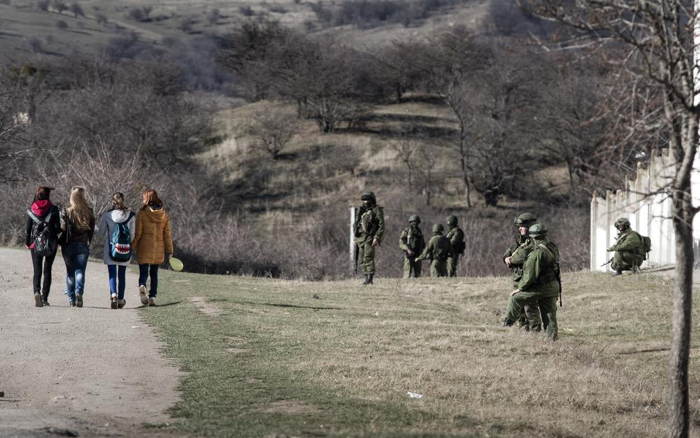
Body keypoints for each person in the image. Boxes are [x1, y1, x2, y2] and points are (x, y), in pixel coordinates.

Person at [503, 223, 560, 341]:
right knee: (549, 315)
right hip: (553, 286)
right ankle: (552, 339)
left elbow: (530, 275)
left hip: (542, 287)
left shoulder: (537, 253)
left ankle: (506, 325)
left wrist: (520, 288)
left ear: (533, 237)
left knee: (515, 298)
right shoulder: (552, 246)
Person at [132, 189, 173, 306]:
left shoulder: (142, 213)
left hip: (144, 246)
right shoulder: (164, 214)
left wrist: (132, 246)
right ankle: (152, 297)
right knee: (154, 274)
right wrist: (169, 250)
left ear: (146, 198)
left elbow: (138, 233)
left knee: (143, 271)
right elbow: (167, 234)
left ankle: (142, 285)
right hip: (158, 248)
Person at [503, 212, 541, 331]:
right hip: (518, 277)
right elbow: (508, 253)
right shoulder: (519, 241)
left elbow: (521, 256)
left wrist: (512, 259)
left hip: (528, 278)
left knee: (530, 306)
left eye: (522, 226)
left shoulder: (534, 241)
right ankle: (523, 329)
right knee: (519, 308)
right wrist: (507, 258)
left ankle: (535, 331)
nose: (519, 229)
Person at [97, 193, 135, 309]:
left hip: (110, 248)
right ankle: (121, 299)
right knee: (122, 274)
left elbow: (100, 233)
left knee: (112, 273)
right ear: (123, 200)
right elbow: (133, 234)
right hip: (125, 248)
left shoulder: (107, 215)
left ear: (112, 202)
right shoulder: (131, 215)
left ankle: (113, 294)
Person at [59, 186, 95, 308]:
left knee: (70, 273)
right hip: (83, 245)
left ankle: (71, 299)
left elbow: (62, 229)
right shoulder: (89, 211)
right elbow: (91, 231)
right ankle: (79, 292)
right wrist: (88, 241)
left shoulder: (67, 211)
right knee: (80, 271)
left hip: (68, 245)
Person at [25, 186, 61, 307]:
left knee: (37, 270)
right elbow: (57, 228)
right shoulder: (54, 209)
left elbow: (28, 229)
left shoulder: (32, 209)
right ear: (48, 195)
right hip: (51, 242)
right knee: (47, 270)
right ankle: (45, 298)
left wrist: (27, 242)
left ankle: (36, 292)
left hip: (35, 242)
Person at [354, 191, 384, 285]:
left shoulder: (376, 210)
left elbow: (381, 225)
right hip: (360, 238)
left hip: (370, 237)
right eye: (364, 200)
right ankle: (366, 277)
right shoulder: (362, 210)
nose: (365, 201)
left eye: (367, 199)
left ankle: (370, 278)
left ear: (372, 200)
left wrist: (377, 237)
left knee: (368, 257)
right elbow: (356, 223)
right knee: (362, 259)